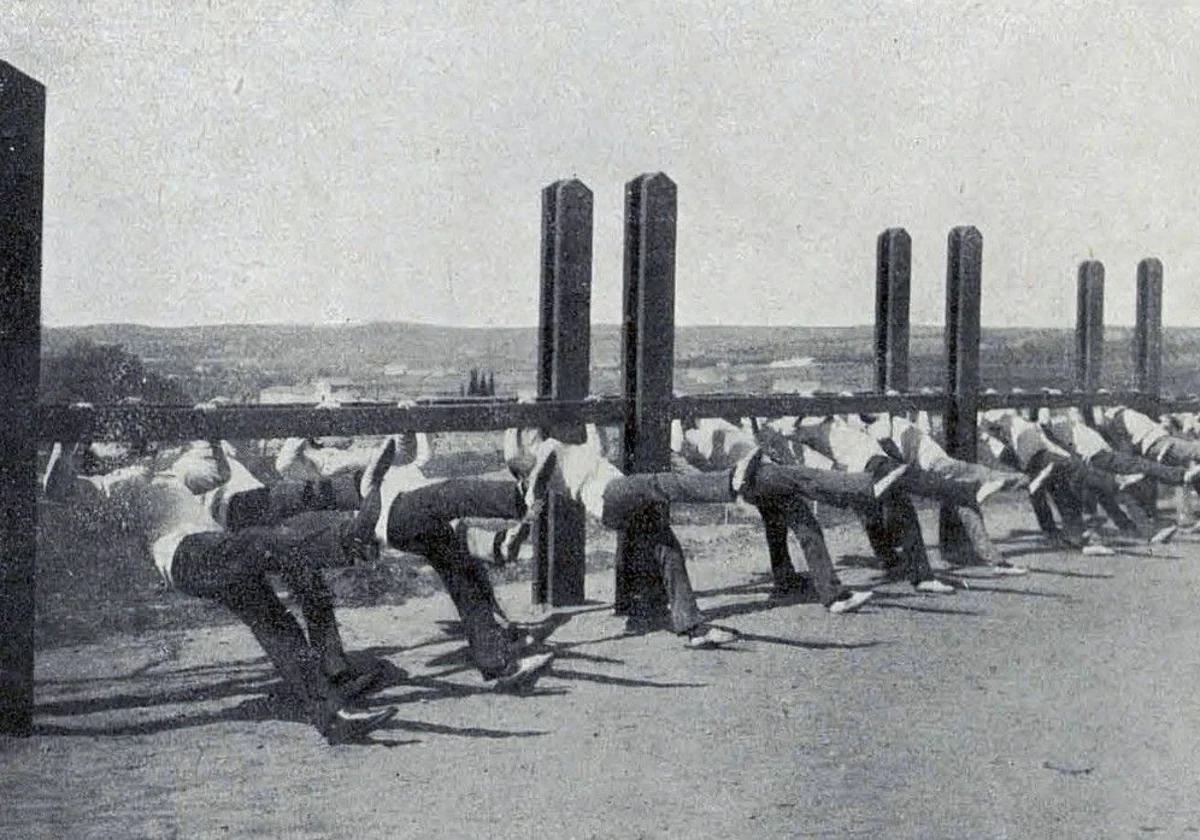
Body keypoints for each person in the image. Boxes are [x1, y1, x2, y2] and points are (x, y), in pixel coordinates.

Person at [41, 436, 400, 745]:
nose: (128, 444)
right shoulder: (107, 487)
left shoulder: (169, 475)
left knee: (277, 624)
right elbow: (56, 488)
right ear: (94, 454)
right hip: (188, 556)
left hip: (216, 552)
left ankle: (331, 719)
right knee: (262, 543)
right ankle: (349, 539)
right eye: (110, 442)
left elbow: (219, 472)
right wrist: (66, 441)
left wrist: (209, 433)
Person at [671, 417, 906, 613]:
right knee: (806, 500)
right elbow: (684, 460)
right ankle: (863, 490)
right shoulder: (691, 435)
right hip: (761, 475)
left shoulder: (713, 423)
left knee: (780, 526)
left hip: (756, 476)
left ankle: (786, 580)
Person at [856, 411, 1030, 576]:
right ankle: (1026, 480)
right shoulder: (876, 429)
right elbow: (892, 450)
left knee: (966, 502)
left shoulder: (890, 420)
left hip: (932, 462)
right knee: (979, 478)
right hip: (931, 466)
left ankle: (996, 561)